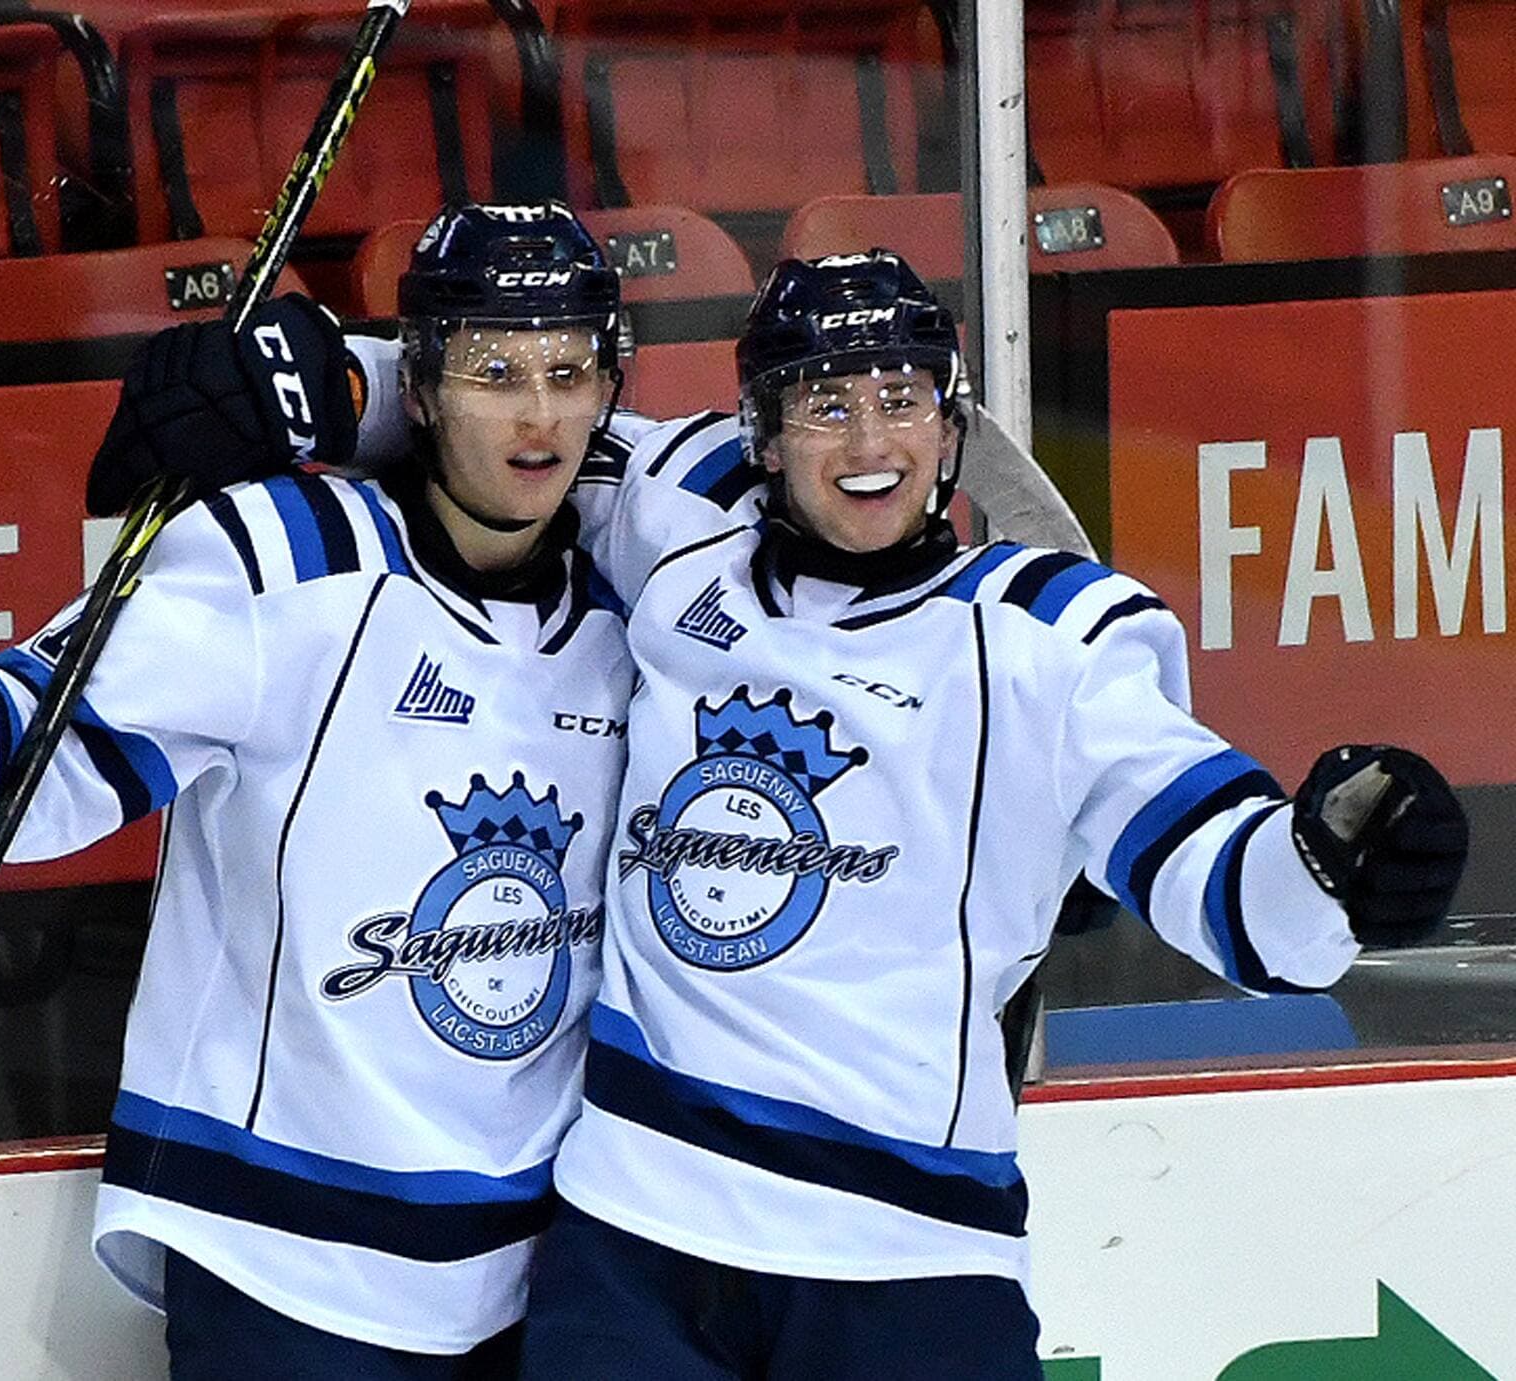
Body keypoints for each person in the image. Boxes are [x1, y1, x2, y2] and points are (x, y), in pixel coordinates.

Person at [508, 250, 1471, 1378]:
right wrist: (337, 380)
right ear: (762, 438)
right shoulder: (683, 527)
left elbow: (1228, 882)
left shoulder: (1047, 639)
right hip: (636, 1233)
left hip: (906, 1260)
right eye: (826, 406)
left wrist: (1335, 864)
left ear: (950, 419)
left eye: (901, 399)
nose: (871, 444)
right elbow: (505, 412)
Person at [0, 202, 635, 1378]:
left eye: (569, 370)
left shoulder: (640, 597)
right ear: (430, 390)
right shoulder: (280, 559)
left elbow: (813, 459)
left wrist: (336, 378)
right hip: (281, 1261)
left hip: (535, 1276)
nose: (539, 412)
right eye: (493, 370)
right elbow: (34, 761)